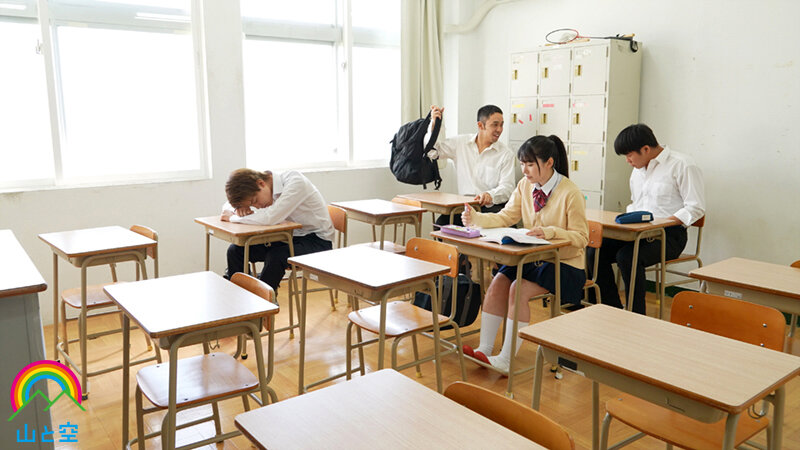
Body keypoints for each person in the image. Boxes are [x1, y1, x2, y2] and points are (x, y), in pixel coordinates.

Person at [461, 135, 589, 372]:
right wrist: (476, 218)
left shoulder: (570, 192)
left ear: (549, 163)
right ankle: (485, 349)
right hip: (533, 258)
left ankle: (506, 360)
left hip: (566, 264)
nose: (525, 170)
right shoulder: (525, 186)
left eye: (530, 164)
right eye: (522, 164)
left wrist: (550, 232)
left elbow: (582, 238)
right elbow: (506, 216)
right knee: (498, 282)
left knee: (517, 288)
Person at [588, 124, 705, 315]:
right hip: (637, 233)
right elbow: (635, 204)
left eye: (629, 155)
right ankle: (611, 308)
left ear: (645, 149)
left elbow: (696, 207)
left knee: (628, 257)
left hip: (669, 236)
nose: (627, 161)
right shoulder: (638, 170)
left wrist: (665, 222)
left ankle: (636, 315)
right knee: (594, 251)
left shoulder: (682, 164)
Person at [221, 169, 334, 294]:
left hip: (318, 241)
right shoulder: (266, 185)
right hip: (289, 237)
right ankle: (242, 297)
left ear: (261, 183)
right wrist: (237, 209)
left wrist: (233, 218)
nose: (257, 206)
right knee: (236, 250)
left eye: (255, 201)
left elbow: (270, 217)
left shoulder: (295, 182)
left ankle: (264, 301)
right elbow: (227, 205)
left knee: (276, 256)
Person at [427, 104, 516, 226]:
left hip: (491, 208)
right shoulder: (461, 143)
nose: (499, 129)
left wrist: (490, 195)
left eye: (501, 125)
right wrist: (434, 124)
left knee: (485, 227)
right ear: (480, 125)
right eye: (495, 125)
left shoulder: (506, 154)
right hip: (465, 207)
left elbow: (508, 188)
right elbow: (432, 152)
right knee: (441, 225)